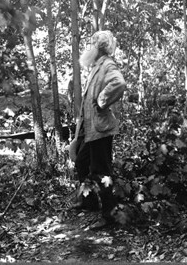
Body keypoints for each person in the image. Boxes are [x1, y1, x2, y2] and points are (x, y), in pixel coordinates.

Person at [68, 30, 126, 229]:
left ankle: (109, 216)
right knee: (81, 163)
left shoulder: (108, 64)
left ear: (99, 47)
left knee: (102, 173)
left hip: (101, 130)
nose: (90, 47)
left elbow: (119, 83)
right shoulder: (96, 66)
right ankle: (89, 201)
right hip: (90, 129)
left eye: (92, 44)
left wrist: (102, 101)